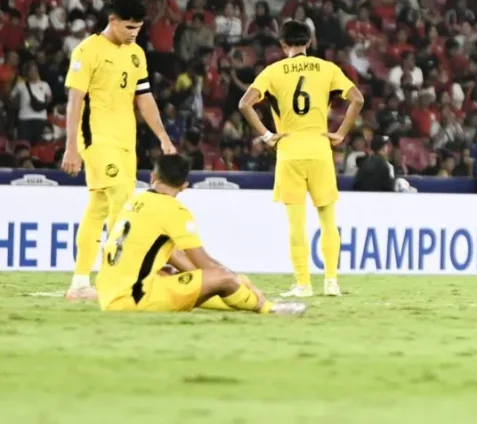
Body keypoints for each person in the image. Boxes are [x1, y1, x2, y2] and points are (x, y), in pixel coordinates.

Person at [61, 0, 177, 302]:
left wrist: (163, 137)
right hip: (96, 139)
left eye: (138, 28)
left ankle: (80, 283)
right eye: (129, 27)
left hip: (125, 141)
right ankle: (114, 278)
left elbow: (145, 99)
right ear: (112, 20)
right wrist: (71, 147)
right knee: (123, 199)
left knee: (98, 207)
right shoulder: (88, 50)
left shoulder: (136, 53)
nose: (134, 33)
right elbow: (75, 101)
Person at [239, 20, 364, 298]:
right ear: (309, 42)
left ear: (283, 44)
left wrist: (266, 135)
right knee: (328, 220)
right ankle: (331, 282)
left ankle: (303, 284)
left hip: (289, 150)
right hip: (320, 149)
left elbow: (244, 103)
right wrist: (341, 133)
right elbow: (357, 99)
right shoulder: (327, 68)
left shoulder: (273, 72)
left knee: (296, 224)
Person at [97, 154, 305, 316]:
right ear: (184, 186)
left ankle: (248, 299)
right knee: (224, 277)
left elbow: (173, 256)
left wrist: (205, 280)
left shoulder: (134, 201)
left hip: (108, 294)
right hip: (135, 299)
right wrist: (238, 281)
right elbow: (205, 264)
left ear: (153, 177)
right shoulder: (174, 210)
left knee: (180, 277)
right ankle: (267, 307)